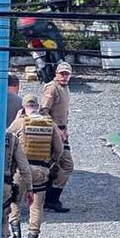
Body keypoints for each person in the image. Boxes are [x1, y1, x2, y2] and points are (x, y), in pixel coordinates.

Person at [7, 95, 64, 238]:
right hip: (41, 170)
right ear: (38, 106)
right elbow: (59, 149)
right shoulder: (49, 123)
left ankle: (16, 233)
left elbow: (6, 139)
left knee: (15, 201)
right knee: (36, 206)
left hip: (21, 170)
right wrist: (52, 162)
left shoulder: (20, 122)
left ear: (24, 107)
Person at [40, 61, 74, 213]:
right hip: (53, 132)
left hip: (62, 131)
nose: (64, 76)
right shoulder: (52, 88)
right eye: (62, 73)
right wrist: (56, 130)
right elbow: (43, 112)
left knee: (55, 165)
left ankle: (50, 198)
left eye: (67, 74)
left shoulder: (64, 88)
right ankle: (51, 199)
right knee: (66, 164)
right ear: (56, 74)